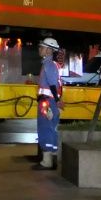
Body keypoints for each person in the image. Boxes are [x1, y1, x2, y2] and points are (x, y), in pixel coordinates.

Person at [33, 37, 64, 170]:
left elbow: (52, 85)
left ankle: (47, 162)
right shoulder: (52, 64)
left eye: (42, 47)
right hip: (50, 101)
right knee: (52, 128)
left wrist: (56, 101)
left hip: (47, 101)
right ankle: (53, 159)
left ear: (49, 50)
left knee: (45, 128)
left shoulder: (48, 65)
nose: (40, 49)